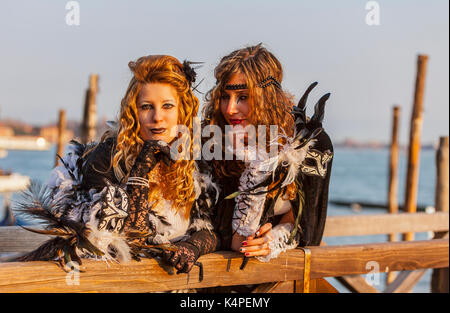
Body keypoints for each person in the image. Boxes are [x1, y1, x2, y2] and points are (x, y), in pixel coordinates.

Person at [16, 55, 220, 277]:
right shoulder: (106, 159)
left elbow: (208, 229)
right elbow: (131, 238)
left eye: (167, 106)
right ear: (134, 112)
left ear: (182, 111)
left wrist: (193, 247)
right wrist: (140, 172)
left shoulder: (192, 164)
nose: (157, 117)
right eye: (146, 107)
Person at [202, 44, 333, 263]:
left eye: (243, 97)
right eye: (225, 97)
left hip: (279, 280)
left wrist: (275, 239)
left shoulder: (311, 142)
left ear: (267, 97)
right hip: (210, 280)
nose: (230, 109)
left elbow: (308, 225)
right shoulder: (211, 141)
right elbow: (218, 229)